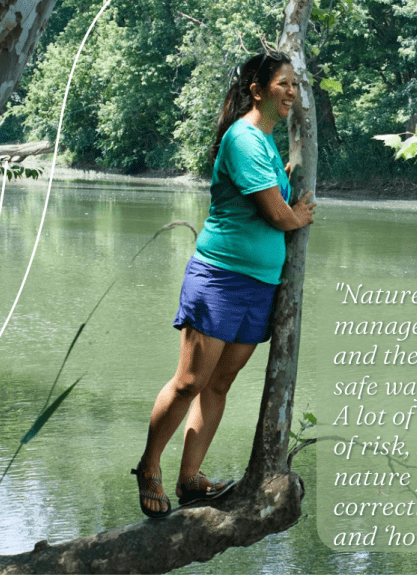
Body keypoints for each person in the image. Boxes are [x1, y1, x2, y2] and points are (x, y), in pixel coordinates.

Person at [131, 51, 317, 518]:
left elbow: (274, 197)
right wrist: (297, 215)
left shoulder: (267, 145)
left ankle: (191, 480)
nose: (292, 92)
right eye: (283, 84)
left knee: (220, 383)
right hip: (221, 277)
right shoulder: (244, 139)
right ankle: (149, 467)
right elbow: (276, 214)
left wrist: (289, 185)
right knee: (191, 381)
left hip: (258, 285)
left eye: (295, 85)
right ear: (257, 91)